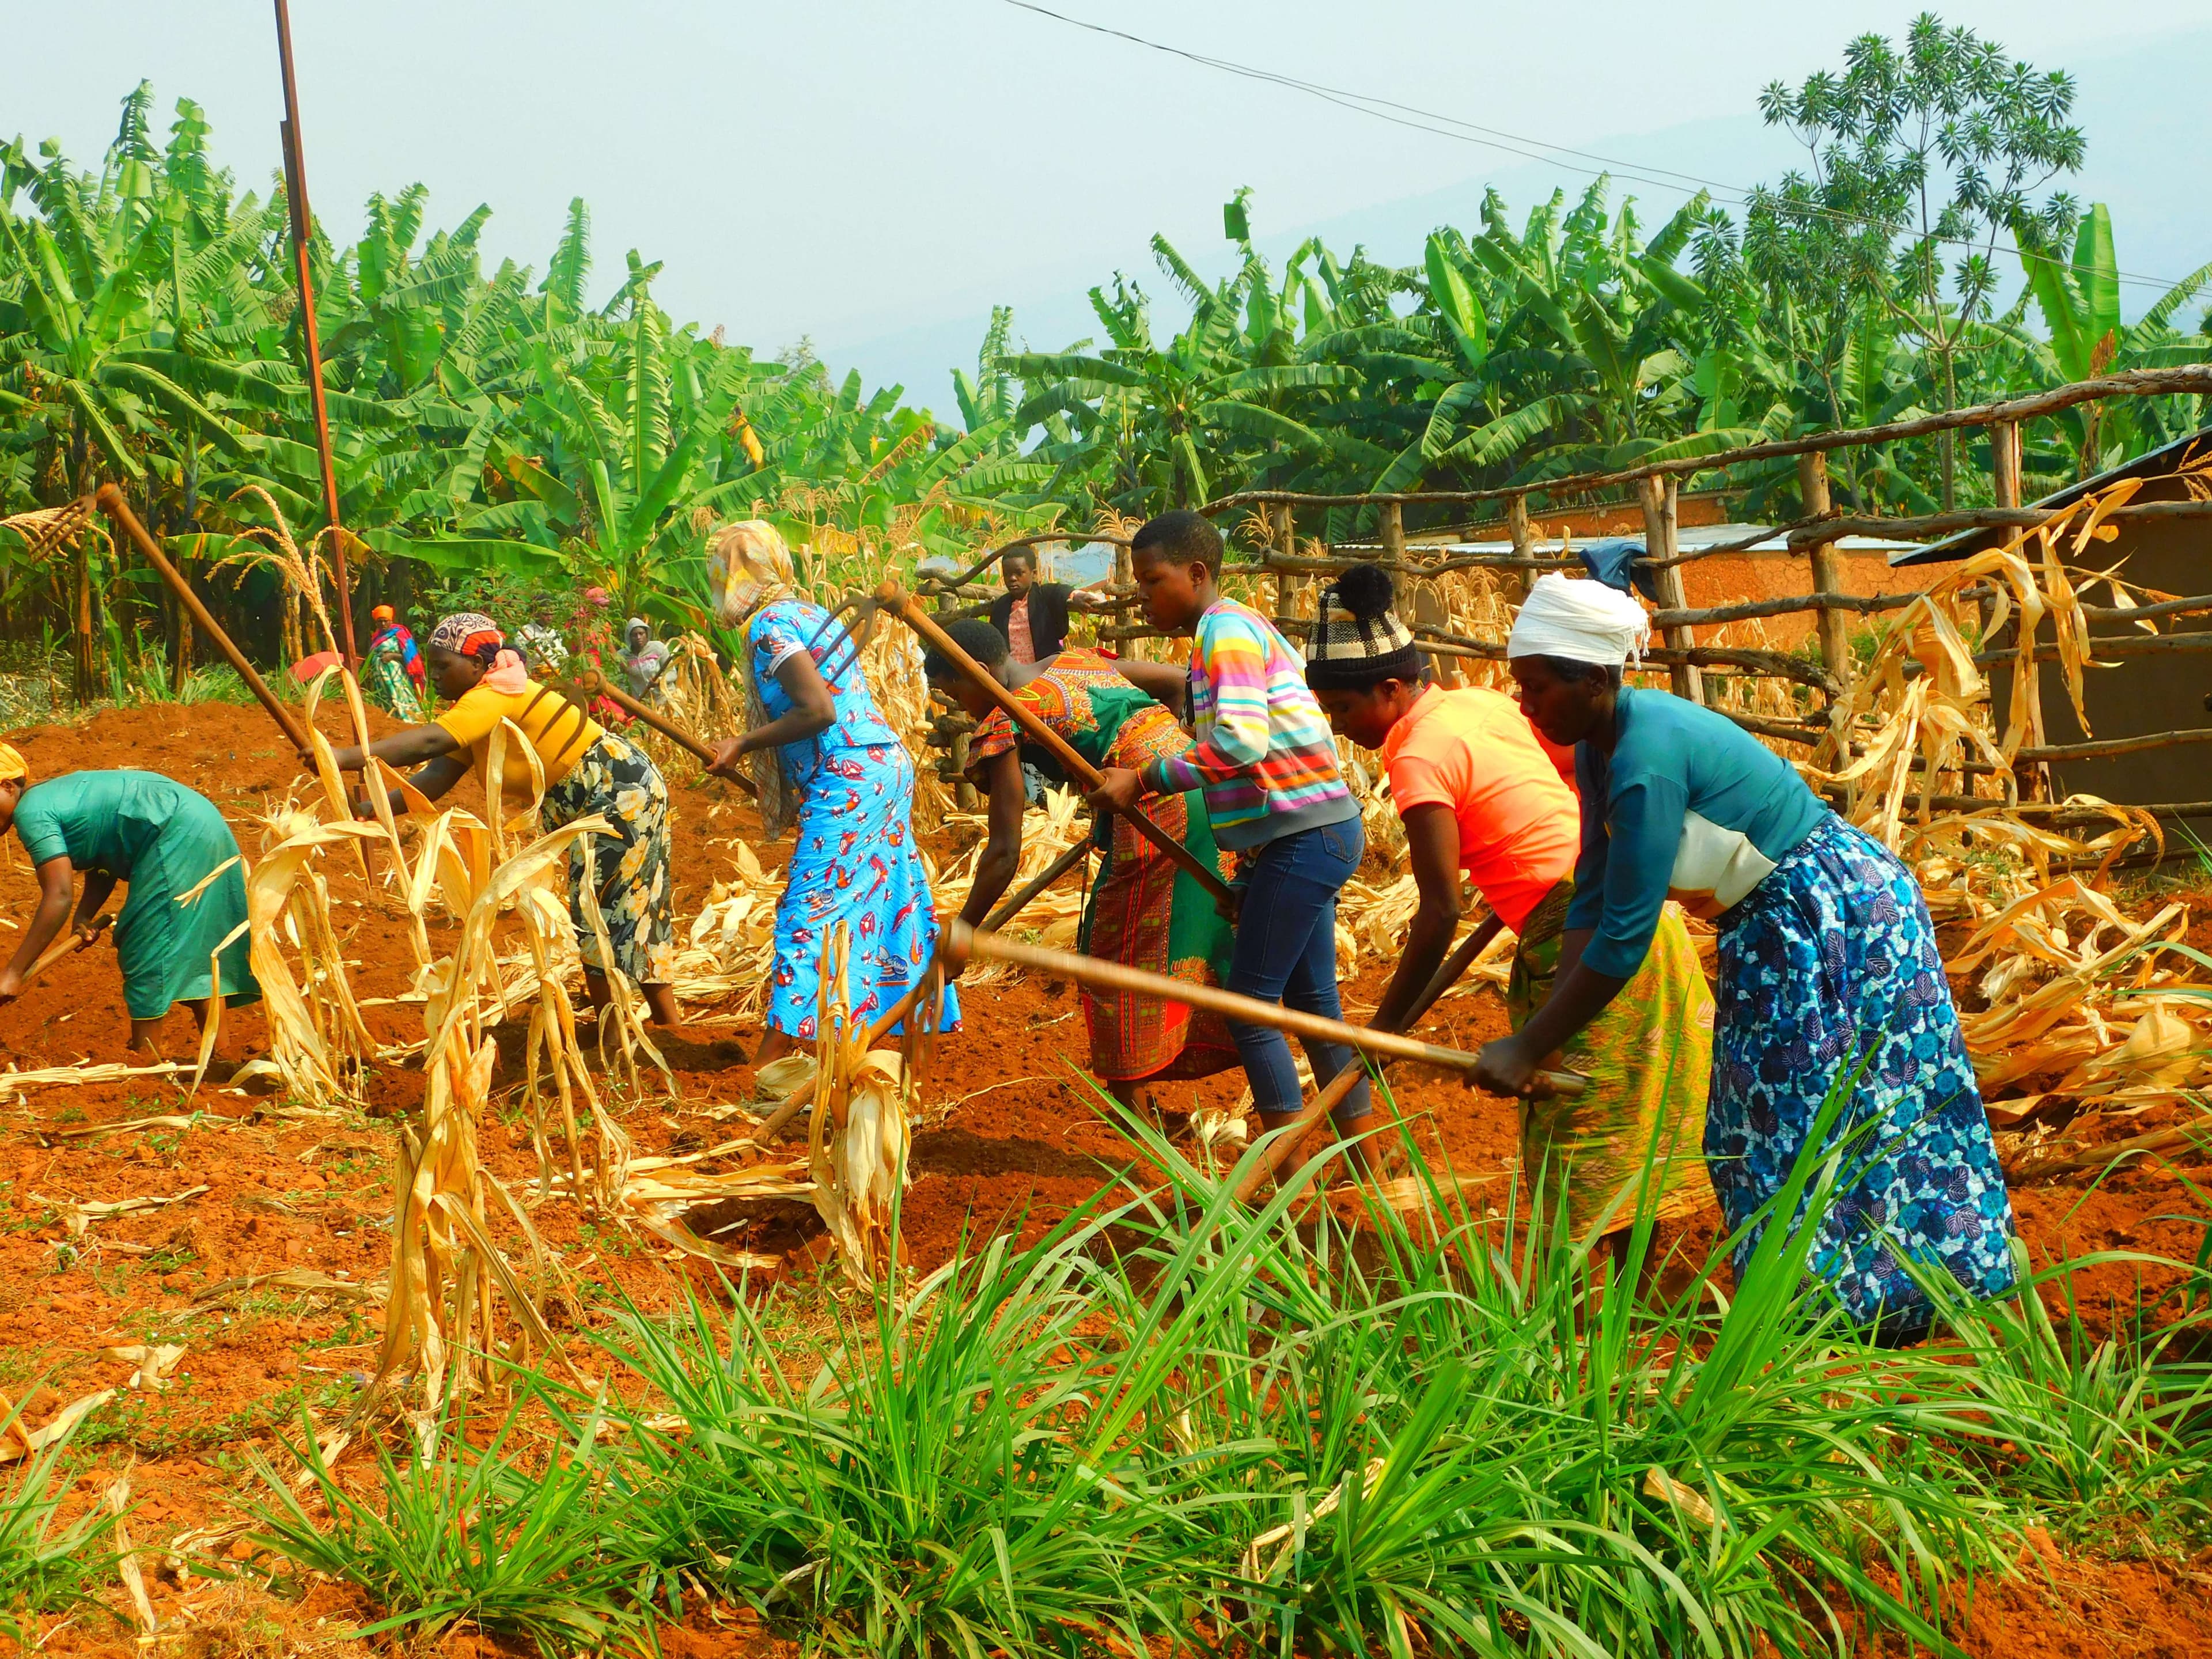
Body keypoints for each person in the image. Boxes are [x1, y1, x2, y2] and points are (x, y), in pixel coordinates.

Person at [1474, 573, 2018, 1341]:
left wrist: (1531, 1043)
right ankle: (1837, 1305)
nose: (1523, 704)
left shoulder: (1643, 761)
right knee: (1761, 1122)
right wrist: (1546, 1038)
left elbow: (1626, 936)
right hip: (1774, 922)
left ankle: (1913, 1289)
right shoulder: (1603, 750)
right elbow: (1592, 898)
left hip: (1832, 914)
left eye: (1533, 687)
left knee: (1818, 1113)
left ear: (1593, 677)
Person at [1304, 565, 1713, 1238]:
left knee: (1576, 1120)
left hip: (1573, 931)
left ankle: (1582, 1315)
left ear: (1390, 687)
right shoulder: (1479, 705)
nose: (1339, 725)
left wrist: (1385, 1028)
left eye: (1344, 708)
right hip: (1628, 902)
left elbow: (1439, 913)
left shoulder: (1415, 758)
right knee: (1631, 1105)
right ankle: (1634, 1290)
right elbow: (1571, 779)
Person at [1090, 510, 1372, 1159]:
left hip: (1308, 836)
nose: (1143, 594)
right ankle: (1371, 1171)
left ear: (1196, 573)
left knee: (1252, 1007)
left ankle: (1283, 1181)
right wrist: (1249, 873)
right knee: (1311, 1006)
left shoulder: (1225, 631)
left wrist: (1145, 778)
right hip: (1309, 834)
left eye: (1153, 580)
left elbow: (1242, 744)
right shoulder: (1222, 633)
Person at [925, 618, 1239, 1103]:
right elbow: (1178, 681)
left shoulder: (1005, 718)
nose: (962, 709)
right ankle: (1192, 1066)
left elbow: (1005, 851)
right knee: (1198, 926)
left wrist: (964, 931)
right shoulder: (1076, 661)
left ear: (981, 672)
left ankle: (1130, 1106)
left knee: (1115, 947)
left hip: (1155, 807)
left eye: (955, 693)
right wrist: (1155, 749)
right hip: (1193, 785)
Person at [327, 612, 682, 1028]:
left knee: (608, 907)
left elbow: (430, 741)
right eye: (433, 666)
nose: (435, 675)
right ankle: (641, 1025)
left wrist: (344, 758)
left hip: (618, 790)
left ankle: (625, 1029)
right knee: (614, 906)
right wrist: (373, 807)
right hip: (605, 795)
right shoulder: (481, 705)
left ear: (477, 665)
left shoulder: (494, 694)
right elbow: (438, 776)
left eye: (444, 666)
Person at [702, 521, 957, 1070]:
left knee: (809, 912)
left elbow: (819, 710)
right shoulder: (807, 612)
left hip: (848, 776)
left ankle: (772, 1065)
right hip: (880, 764)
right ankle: (910, 1047)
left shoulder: (769, 624)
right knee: (892, 901)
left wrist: (743, 743)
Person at [0, 747, 259, 1054]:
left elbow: (58, 894)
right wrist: (85, 915)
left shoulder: (32, 813)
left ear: (8, 786)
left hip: (173, 829)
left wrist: (13, 973)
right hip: (197, 822)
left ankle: (145, 1061)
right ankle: (219, 1055)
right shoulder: (52, 796)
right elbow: (106, 853)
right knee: (196, 949)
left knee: (146, 943)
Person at [987, 548, 1109, 665]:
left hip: (1046, 671)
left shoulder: (1044, 595)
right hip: (1014, 678)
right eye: (1007, 574)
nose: (1013, 579)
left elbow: (1061, 591)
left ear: (1034, 574)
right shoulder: (1000, 607)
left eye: (1019, 573)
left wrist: (1077, 596)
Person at [365, 605, 422, 720]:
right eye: (380, 621)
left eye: (386, 621)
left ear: (391, 620)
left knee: (401, 694)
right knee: (385, 696)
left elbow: (410, 655)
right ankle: (390, 718)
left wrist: (392, 656)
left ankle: (409, 718)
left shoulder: (400, 633)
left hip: (397, 674)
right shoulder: (376, 636)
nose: (383, 624)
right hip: (380, 674)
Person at [623, 618, 671, 703]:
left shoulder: (658, 648)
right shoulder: (623, 656)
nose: (638, 637)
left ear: (647, 634)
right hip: (643, 703)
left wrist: (659, 680)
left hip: (665, 699)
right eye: (634, 635)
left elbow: (672, 673)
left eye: (641, 634)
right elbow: (619, 681)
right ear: (629, 637)